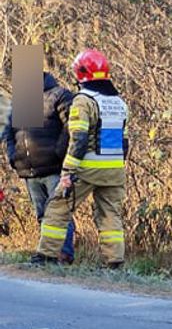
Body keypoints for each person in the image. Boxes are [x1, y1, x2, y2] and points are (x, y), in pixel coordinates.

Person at [31, 49, 129, 267]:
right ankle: (114, 262)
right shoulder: (119, 102)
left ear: (81, 73)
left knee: (57, 207)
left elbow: (79, 140)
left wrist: (67, 172)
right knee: (110, 215)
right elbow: (124, 142)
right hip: (114, 170)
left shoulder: (83, 101)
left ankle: (46, 256)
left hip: (87, 168)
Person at [3, 71, 76, 263]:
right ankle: (46, 255)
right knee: (42, 215)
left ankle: (64, 254)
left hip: (54, 168)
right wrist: (13, 157)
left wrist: (59, 152)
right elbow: (9, 133)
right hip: (29, 170)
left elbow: (72, 126)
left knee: (59, 213)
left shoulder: (59, 95)